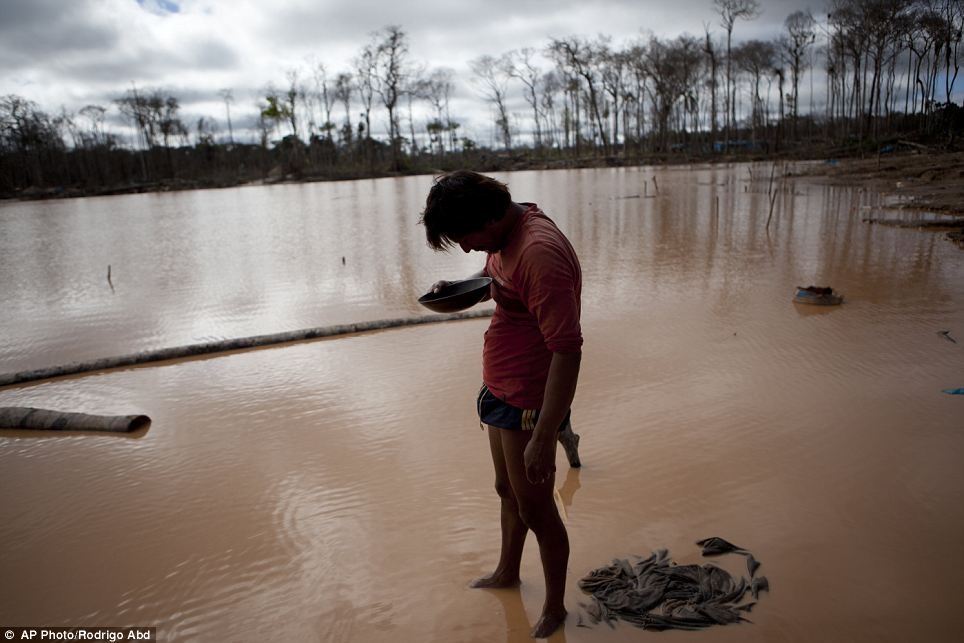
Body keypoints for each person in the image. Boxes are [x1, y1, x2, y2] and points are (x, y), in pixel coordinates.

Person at [420, 170, 582, 638]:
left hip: (529, 400)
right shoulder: (506, 232)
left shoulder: (539, 253)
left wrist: (545, 435)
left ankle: (554, 608)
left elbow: (567, 350)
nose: (467, 248)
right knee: (506, 490)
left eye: (466, 237)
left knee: (538, 511)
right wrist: (458, 286)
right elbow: (498, 276)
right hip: (500, 389)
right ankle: (508, 572)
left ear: (489, 218)